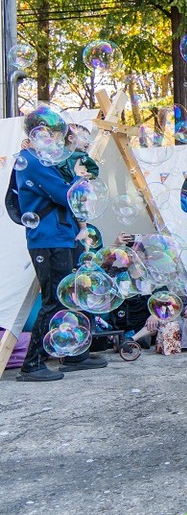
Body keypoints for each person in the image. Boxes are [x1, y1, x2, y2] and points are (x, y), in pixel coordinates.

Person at [15, 115, 106, 381]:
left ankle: (75, 354)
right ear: (37, 135)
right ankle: (32, 364)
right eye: (52, 134)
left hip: (64, 236)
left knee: (73, 293)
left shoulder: (44, 160)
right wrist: (79, 178)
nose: (56, 139)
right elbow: (65, 194)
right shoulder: (30, 161)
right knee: (54, 299)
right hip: (48, 239)